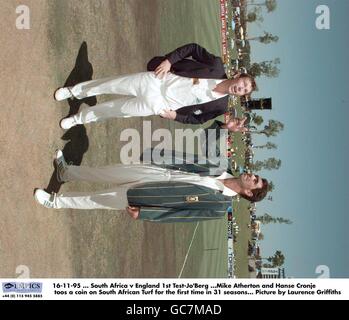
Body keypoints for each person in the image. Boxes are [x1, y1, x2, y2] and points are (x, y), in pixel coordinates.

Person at [54, 43, 256, 129]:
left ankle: (77, 119)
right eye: (244, 83)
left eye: (245, 91)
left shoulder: (221, 106)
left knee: (115, 110)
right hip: (157, 79)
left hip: (159, 105)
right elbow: (193, 48)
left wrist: (176, 116)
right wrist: (169, 61)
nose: (241, 89)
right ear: (238, 76)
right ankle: (74, 91)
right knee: (112, 85)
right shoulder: (216, 65)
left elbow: (199, 120)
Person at [34, 150, 269, 222]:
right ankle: (66, 172)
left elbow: (182, 215)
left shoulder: (219, 208)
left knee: (98, 198)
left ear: (249, 192)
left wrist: (146, 213)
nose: (252, 175)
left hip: (151, 196)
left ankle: (55, 202)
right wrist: (156, 157)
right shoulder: (221, 167)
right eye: (256, 175)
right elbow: (186, 160)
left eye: (255, 180)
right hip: (155, 172)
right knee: (104, 171)